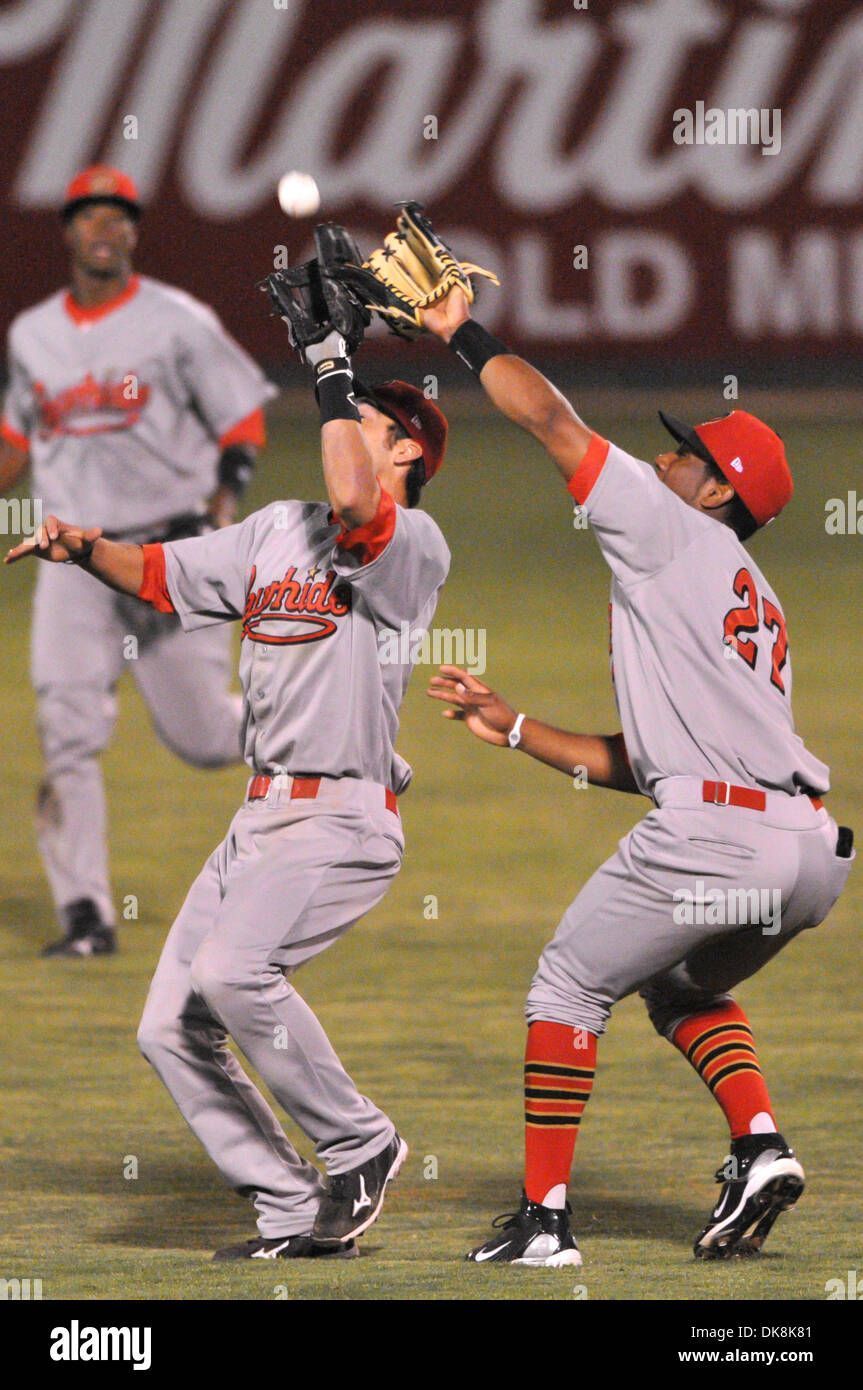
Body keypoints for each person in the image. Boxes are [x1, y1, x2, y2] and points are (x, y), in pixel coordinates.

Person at [421, 285, 854, 1266]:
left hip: (721, 834)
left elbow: (546, 418)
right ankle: (757, 1145)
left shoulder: (667, 533)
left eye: (681, 453)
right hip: (805, 852)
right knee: (672, 982)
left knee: (567, 979)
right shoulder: (753, 595)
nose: (660, 456)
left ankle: (543, 1223)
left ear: (713, 492)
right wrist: (519, 726)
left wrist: (458, 332)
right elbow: (658, 761)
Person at [5, 314, 451, 1259]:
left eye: (361, 419)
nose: (337, 426)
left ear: (405, 447)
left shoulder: (411, 546)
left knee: (231, 974)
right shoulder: (276, 529)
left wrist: (331, 365)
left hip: (341, 819)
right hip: (257, 821)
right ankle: (291, 1207)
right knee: (168, 1027)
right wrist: (85, 546)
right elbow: (163, 574)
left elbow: (359, 506)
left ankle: (360, 1142)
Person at [0, 165, 274, 957]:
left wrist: (228, 491)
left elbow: (242, 413)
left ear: (133, 232)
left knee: (202, 737)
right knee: (67, 730)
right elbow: (17, 443)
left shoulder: (176, 321)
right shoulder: (32, 334)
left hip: (164, 550)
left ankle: (314, 717)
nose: (105, 228)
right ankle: (87, 916)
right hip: (70, 556)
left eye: (119, 216)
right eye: (90, 214)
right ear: (68, 231)